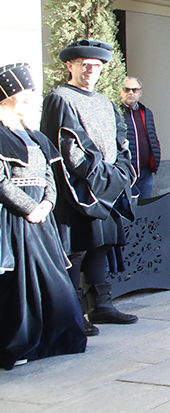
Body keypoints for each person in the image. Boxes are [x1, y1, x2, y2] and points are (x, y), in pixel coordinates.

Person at [41, 40, 137, 332]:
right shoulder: (60, 98)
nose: (90, 71)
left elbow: (122, 141)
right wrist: (99, 177)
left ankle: (102, 306)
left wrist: (119, 173)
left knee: (100, 246)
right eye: (84, 64)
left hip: (106, 187)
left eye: (95, 66)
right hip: (77, 190)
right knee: (77, 250)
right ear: (70, 66)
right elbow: (67, 147)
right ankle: (73, 314)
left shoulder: (106, 102)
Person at [0, 62, 88, 369]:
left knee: (55, 284)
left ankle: (59, 339)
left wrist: (47, 204)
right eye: (23, 92)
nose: (29, 98)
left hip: (43, 220)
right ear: (6, 95)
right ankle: (19, 344)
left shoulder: (35, 135)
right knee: (22, 287)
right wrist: (29, 208)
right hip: (17, 222)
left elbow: (51, 177)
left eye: (31, 93)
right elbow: (1, 182)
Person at [120, 77, 161, 200]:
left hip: (145, 173)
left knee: (145, 211)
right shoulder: (116, 112)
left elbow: (153, 138)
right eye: (127, 89)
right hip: (125, 174)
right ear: (121, 92)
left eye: (135, 90)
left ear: (140, 93)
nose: (131, 93)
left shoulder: (146, 112)